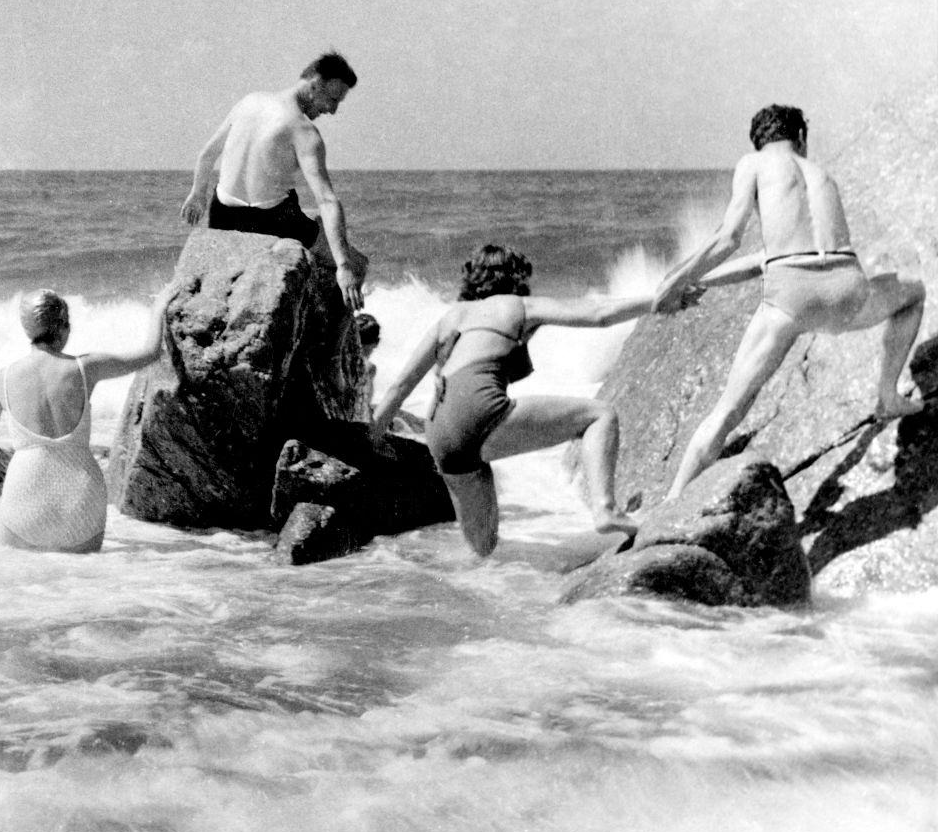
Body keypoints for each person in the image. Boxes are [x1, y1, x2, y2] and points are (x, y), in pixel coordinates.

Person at [652, 104, 926, 499]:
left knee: (728, 411)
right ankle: (887, 393)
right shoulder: (821, 174)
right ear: (800, 137)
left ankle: (672, 503)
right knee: (913, 291)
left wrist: (678, 279)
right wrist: (706, 282)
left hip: (790, 300)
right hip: (848, 291)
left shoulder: (754, 163)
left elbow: (730, 238)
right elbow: (769, 259)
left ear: (761, 141)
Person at [371, 245, 670, 557]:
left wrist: (370, 440)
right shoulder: (517, 304)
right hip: (480, 411)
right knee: (600, 415)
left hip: (440, 434)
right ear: (516, 277)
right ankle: (606, 511)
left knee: (484, 551)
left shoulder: (451, 317)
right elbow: (599, 315)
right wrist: (659, 298)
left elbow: (400, 387)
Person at [0, 285, 177, 552]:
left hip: (24, 502)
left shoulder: (1, 380)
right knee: (82, 584)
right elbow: (150, 353)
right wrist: (160, 305)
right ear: (62, 328)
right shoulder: (87, 368)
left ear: (29, 330)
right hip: (81, 504)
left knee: (26, 586)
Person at [179, 51, 366, 311]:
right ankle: (333, 344)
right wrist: (344, 267)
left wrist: (197, 195)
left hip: (222, 214)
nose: (333, 110)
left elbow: (207, 155)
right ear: (314, 85)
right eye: (333, 99)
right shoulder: (304, 131)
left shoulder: (250, 101)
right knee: (357, 263)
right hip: (271, 221)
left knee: (314, 217)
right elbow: (327, 199)